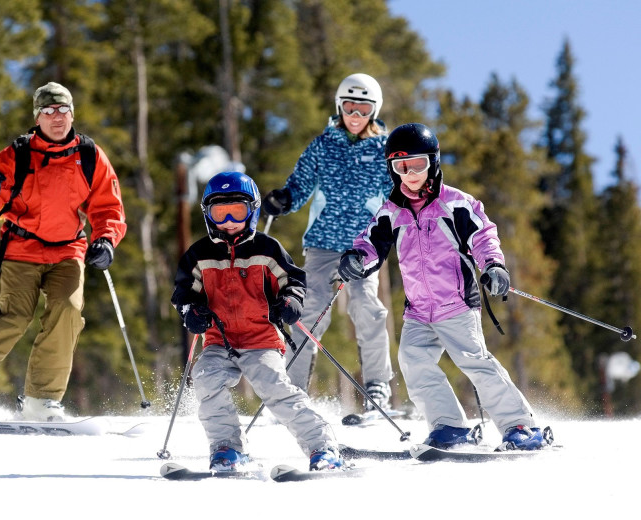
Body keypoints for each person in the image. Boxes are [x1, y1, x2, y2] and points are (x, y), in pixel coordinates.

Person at [337, 122, 550, 450]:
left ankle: (519, 425)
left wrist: (493, 265)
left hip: (457, 304)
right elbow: (371, 245)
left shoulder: (456, 203)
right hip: (418, 310)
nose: (410, 174)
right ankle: (449, 426)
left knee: (475, 362)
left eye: (417, 164)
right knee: (412, 360)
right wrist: (356, 259)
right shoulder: (391, 211)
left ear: (433, 163)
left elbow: (483, 234)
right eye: (401, 166)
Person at [0, 82, 127, 422]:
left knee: (68, 310)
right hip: (22, 249)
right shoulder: (16, 155)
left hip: (68, 250)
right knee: (13, 318)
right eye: (48, 111)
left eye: (62, 110)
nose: (56, 117)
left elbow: (108, 207)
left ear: (72, 113)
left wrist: (106, 240)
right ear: (37, 117)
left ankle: (42, 400)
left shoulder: (90, 156)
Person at [172, 171, 344, 471]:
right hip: (219, 340)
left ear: (251, 211)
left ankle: (322, 447)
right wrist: (192, 313)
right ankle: (227, 447)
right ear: (207, 214)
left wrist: (290, 302)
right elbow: (184, 293)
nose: (228, 220)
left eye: (236, 211)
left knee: (274, 388)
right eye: (219, 212)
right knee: (205, 377)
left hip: (261, 338)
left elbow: (293, 281)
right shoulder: (199, 254)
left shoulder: (267, 249)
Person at [261, 73, 395, 413]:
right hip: (322, 243)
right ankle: (292, 388)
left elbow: (398, 196)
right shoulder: (324, 145)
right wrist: (284, 199)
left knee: (367, 307)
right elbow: (300, 184)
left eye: (363, 108)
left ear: (373, 111)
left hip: (363, 246)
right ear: (339, 106)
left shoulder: (383, 149)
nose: (355, 114)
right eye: (349, 106)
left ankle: (377, 386)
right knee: (309, 310)